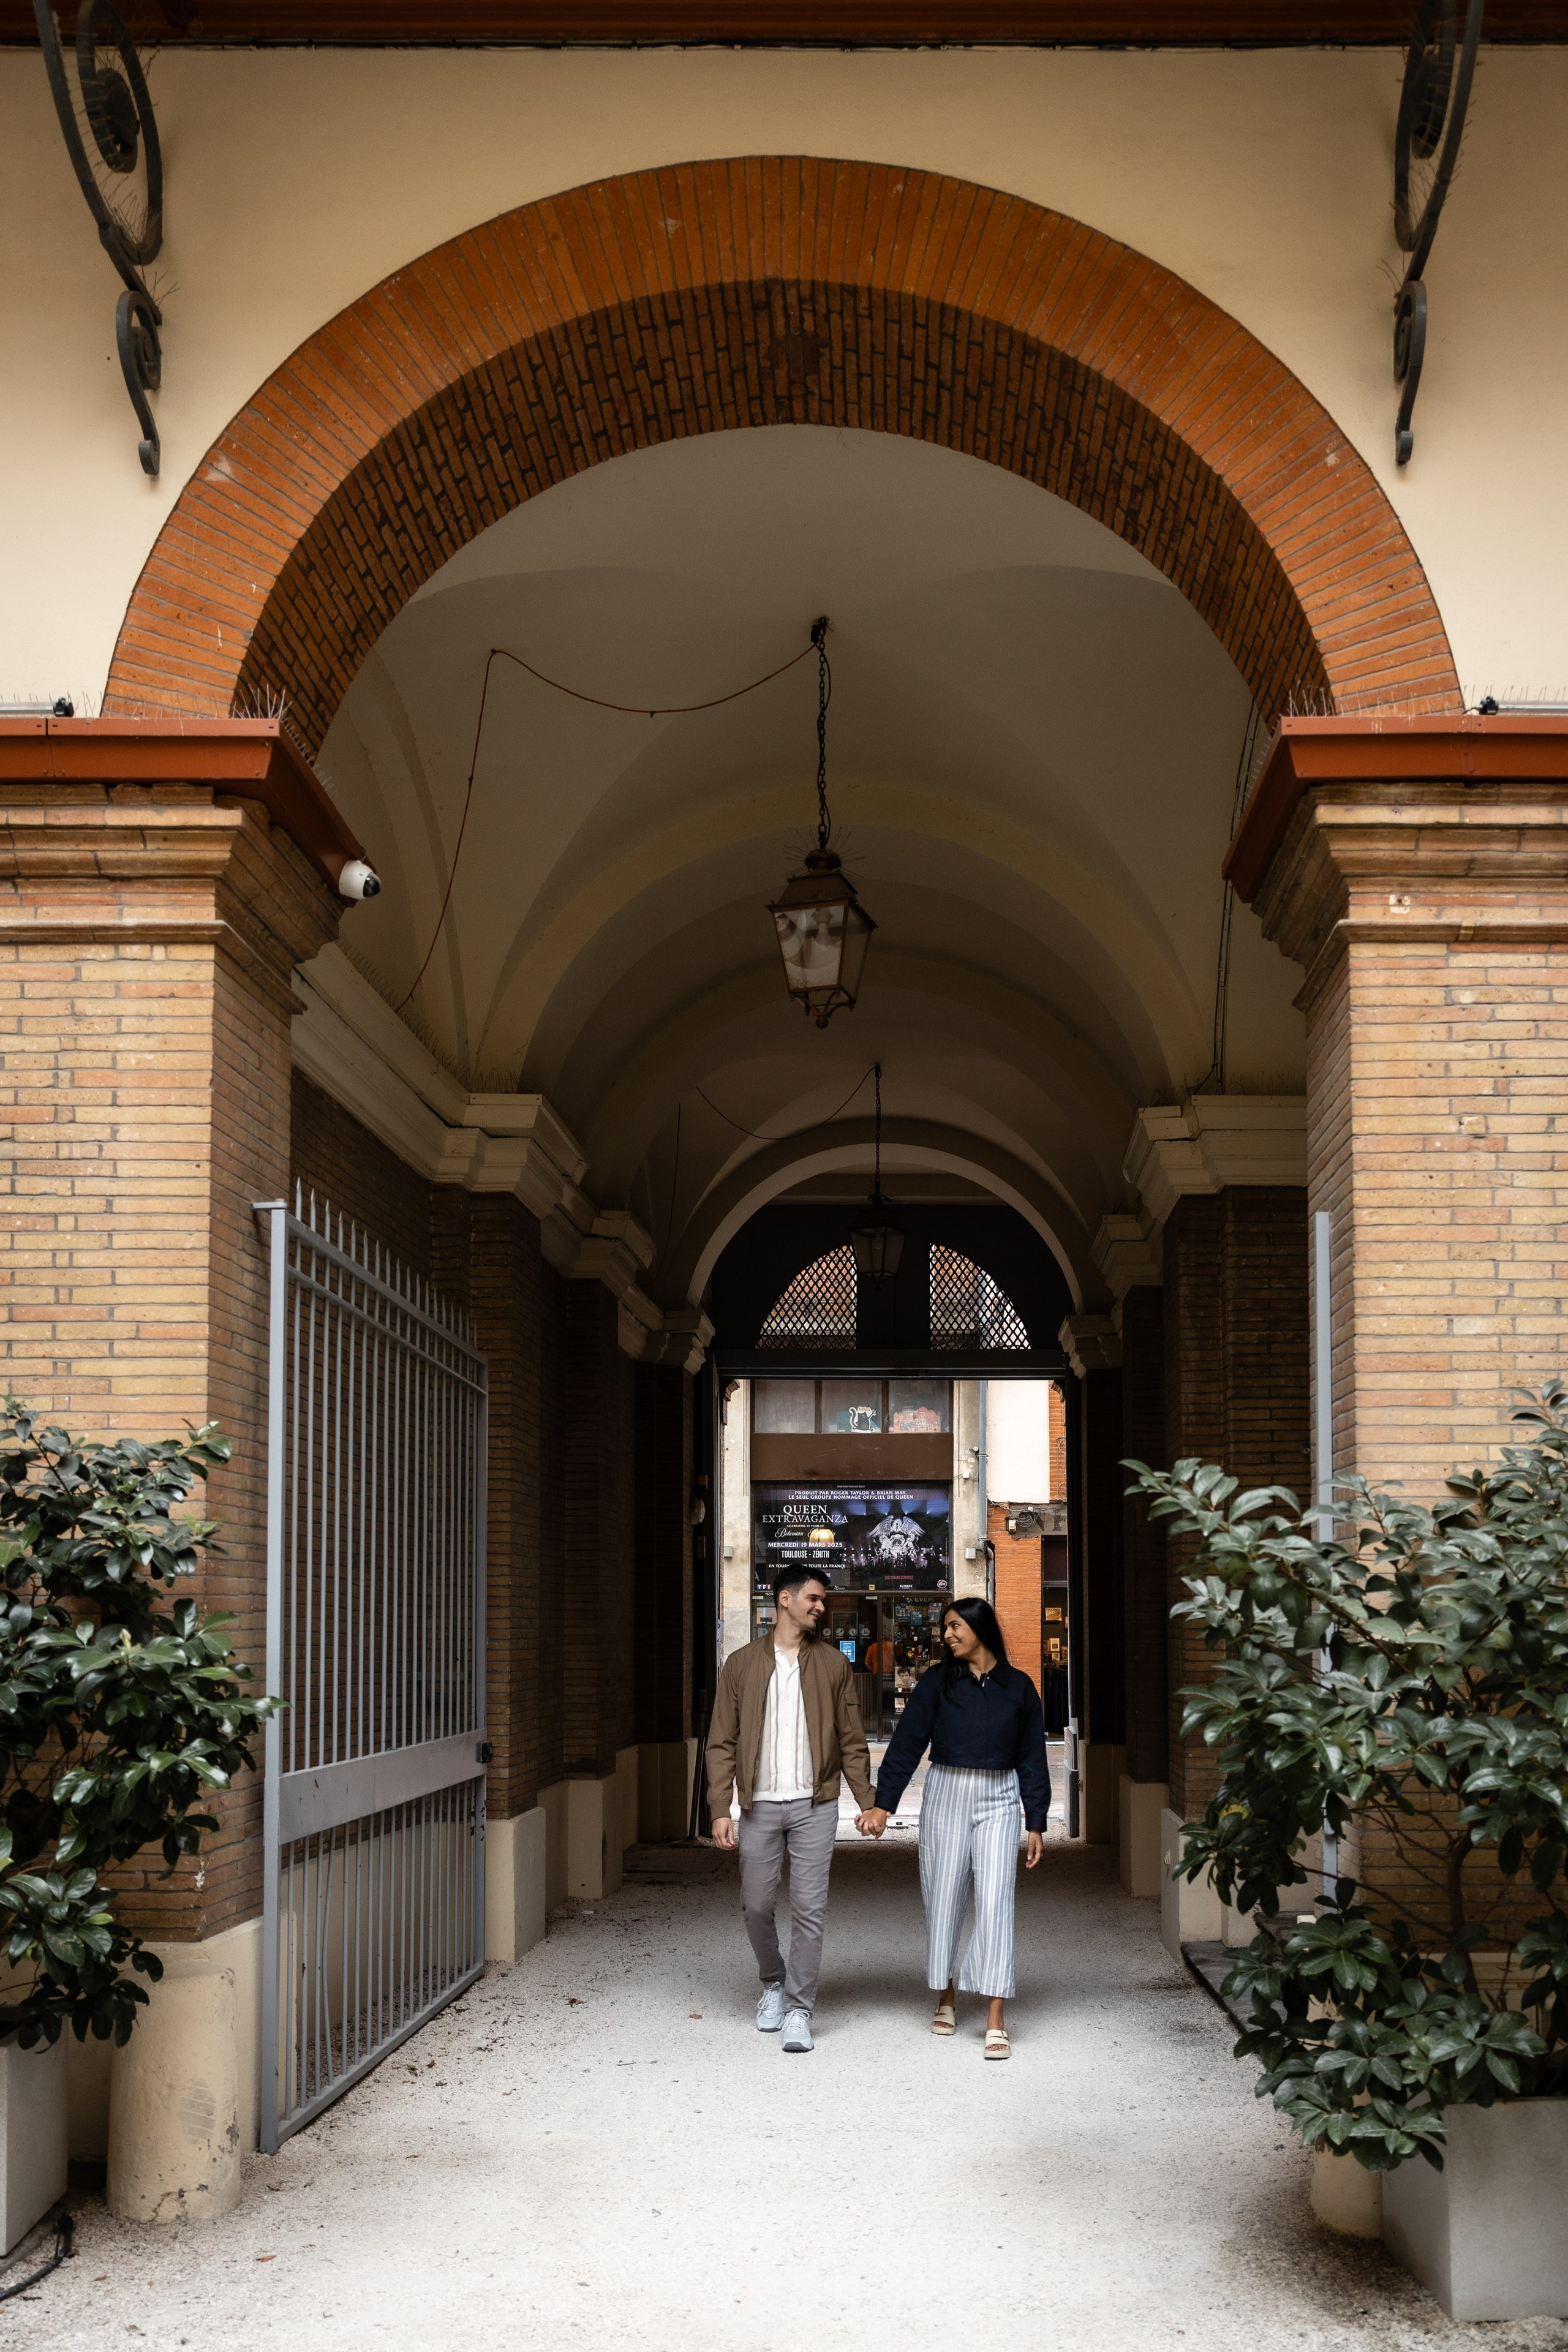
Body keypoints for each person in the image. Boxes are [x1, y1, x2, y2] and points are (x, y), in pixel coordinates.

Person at [858, 1596, 1048, 2060]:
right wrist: (884, 1805)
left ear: (980, 1628)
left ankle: (996, 2016)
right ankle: (946, 1996)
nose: (947, 1635)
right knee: (942, 1898)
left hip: (1000, 1798)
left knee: (997, 1900)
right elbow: (907, 1745)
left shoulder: (1019, 1688)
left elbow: (1032, 1759)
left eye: (955, 1626)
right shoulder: (937, 1683)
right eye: (945, 1628)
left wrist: (1036, 1820)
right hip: (946, 1791)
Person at [705, 1565, 878, 2054]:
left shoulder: (832, 1665)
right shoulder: (740, 1665)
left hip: (815, 1805)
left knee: (810, 1910)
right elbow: (721, 1741)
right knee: (756, 1904)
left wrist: (868, 1802)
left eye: (823, 1601)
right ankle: (774, 1982)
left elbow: (851, 1739)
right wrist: (721, 1806)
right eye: (814, 1599)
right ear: (785, 1599)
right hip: (759, 1805)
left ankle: (800, 2008)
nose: (821, 1607)